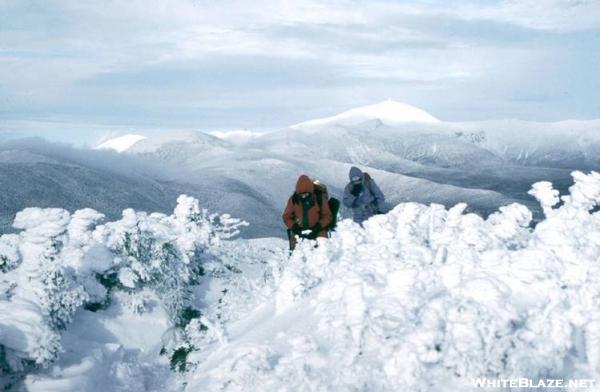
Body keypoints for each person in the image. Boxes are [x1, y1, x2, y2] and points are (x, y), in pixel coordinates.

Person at [283, 174, 333, 250]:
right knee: (297, 254)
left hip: (318, 230)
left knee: (322, 252)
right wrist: (294, 227)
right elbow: (286, 217)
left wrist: (318, 226)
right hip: (299, 231)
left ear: (311, 191)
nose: (303, 196)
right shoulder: (293, 200)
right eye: (301, 195)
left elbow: (327, 216)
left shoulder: (320, 199)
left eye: (306, 194)